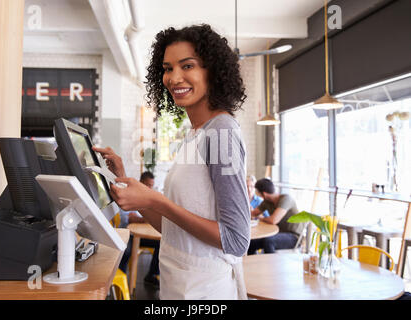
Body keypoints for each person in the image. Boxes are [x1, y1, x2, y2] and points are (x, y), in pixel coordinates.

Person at [93, 24, 250, 300]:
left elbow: (236, 240)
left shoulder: (222, 131)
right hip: (179, 282)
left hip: (207, 290)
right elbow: (174, 229)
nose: (174, 77)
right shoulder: (195, 134)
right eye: (167, 68)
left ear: (212, 70)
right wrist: (127, 184)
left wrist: (156, 200)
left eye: (187, 66)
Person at [117, 171, 160, 288]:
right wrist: (148, 217)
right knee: (126, 251)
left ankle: (152, 275)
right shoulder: (130, 195)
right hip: (127, 234)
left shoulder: (147, 198)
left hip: (140, 234)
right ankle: (122, 281)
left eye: (152, 185)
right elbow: (131, 218)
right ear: (141, 182)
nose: (150, 188)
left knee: (160, 243)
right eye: (148, 185)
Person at [248, 178, 304, 254]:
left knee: (269, 241)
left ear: (263, 194)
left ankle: (272, 265)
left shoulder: (286, 199)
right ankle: (253, 264)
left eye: (258, 193)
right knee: (251, 242)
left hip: (294, 237)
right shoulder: (267, 202)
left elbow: (273, 220)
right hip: (278, 233)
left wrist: (260, 218)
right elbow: (253, 213)